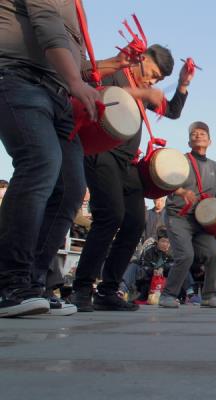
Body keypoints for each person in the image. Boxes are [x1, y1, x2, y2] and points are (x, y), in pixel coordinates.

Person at [72, 44, 195, 312]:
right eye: (153, 74)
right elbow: (95, 92)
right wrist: (141, 93)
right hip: (101, 151)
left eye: (158, 80)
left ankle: (108, 291)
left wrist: (183, 84)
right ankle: (81, 288)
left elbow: (172, 111)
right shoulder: (116, 72)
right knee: (110, 216)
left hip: (128, 163)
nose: (152, 82)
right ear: (142, 59)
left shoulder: (144, 90)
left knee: (135, 223)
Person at [0, 0, 102, 317]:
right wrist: (75, 82)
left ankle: (33, 284)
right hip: (18, 76)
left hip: (58, 93)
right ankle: (8, 282)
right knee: (40, 162)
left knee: (71, 188)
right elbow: (46, 24)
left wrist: (110, 66)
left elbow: (72, 56)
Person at [158, 121, 216, 309]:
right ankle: (167, 295)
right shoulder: (180, 161)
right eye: (194, 134)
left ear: (210, 141)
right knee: (185, 255)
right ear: (189, 142)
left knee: (214, 255)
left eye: (202, 133)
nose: (198, 135)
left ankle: (208, 296)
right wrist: (182, 191)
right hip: (178, 216)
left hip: (202, 222)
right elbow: (165, 181)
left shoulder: (215, 167)